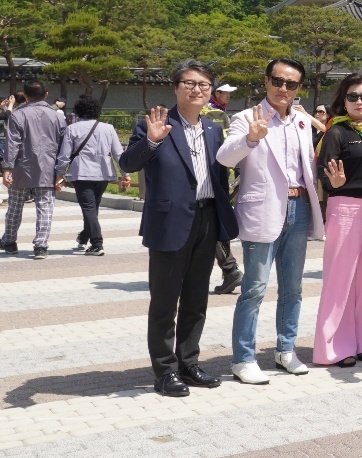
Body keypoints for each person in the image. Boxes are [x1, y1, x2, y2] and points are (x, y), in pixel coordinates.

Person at [119, 61, 238, 397]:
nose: (197, 89)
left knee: (197, 298)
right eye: (189, 83)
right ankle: (165, 371)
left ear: (210, 92)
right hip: (169, 222)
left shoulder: (215, 130)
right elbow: (128, 163)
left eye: (204, 84)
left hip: (206, 218)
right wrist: (152, 142)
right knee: (165, 301)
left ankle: (189, 362)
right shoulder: (156, 123)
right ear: (176, 87)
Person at [218, 59, 325, 383]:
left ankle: (285, 349)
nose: (284, 89)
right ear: (266, 82)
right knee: (254, 288)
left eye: (291, 84)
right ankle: (243, 358)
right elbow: (224, 157)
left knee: (293, 288)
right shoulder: (246, 117)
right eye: (278, 81)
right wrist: (250, 139)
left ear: (299, 89)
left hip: (299, 206)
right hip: (263, 210)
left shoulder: (303, 123)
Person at [313, 74, 362, 367]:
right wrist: (333, 182)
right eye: (352, 96)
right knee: (340, 278)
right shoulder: (336, 131)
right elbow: (324, 171)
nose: (359, 102)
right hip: (345, 206)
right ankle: (336, 347)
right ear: (343, 101)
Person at [54, 95, 129, 255]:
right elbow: (118, 153)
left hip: (81, 172)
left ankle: (97, 243)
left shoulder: (72, 129)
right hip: (103, 173)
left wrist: (59, 174)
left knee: (88, 208)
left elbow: (64, 155)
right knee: (93, 207)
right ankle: (84, 236)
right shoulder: (108, 128)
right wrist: (125, 174)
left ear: (79, 111)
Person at [1, 80, 67, 259]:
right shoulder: (57, 116)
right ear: (46, 94)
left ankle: (9, 241)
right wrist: (60, 171)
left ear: (26, 95)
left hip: (21, 167)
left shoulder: (17, 115)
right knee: (45, 207)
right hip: (48, 168)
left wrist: (7, 168)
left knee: (15, 207)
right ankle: (41, 246)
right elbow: (64, 146)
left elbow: (11, 143)